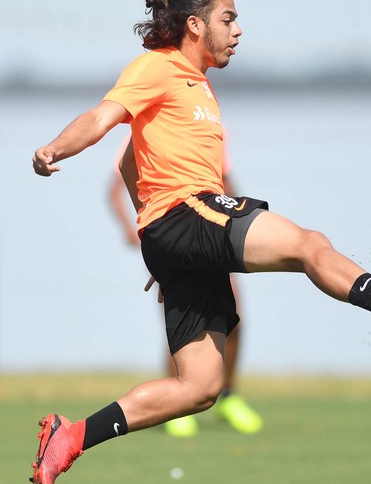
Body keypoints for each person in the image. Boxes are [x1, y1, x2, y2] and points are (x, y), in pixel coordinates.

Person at [29, 0, 371, 484]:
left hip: (173, 232)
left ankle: (70, 438)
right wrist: (53, 150)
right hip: (185, 214)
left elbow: (133, 162)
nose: (238, 30)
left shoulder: (198, 84)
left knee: (201, 387)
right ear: (195, 24)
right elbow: (101, 118)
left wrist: (157, 249)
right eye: (228, 20)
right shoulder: (157, 67)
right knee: (307, 244)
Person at [108, 137, 263, 437]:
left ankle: (229, 396)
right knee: (181, 323)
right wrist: (134, 228)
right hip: (174, 235)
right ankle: (177, 405)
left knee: (234, 317)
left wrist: (235, 225)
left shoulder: (209, 125)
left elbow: (226, 182)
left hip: (211, 232)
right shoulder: (151, 127)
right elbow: (118, 183)